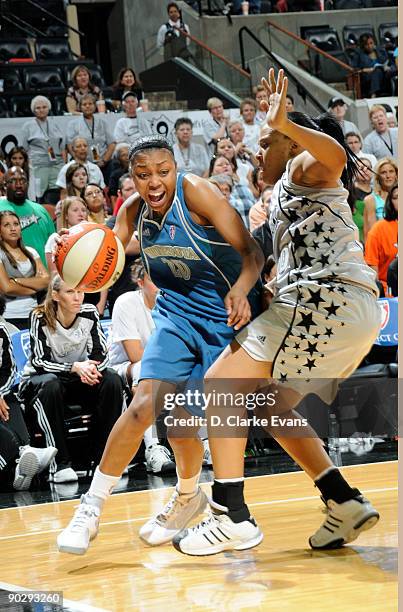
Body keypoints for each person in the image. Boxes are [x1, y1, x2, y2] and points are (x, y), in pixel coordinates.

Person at [172, 68, 382, 556]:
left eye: (268, 142)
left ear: (290, 144)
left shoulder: (305, 167)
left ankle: (231, 514)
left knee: (221, 384)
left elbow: (334, 156)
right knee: (267, 402)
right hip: (347, 311)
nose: (258, 150)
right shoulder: (282, 194)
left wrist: (287, 123)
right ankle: (342, 499)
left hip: (325, 299)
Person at [56, 134, 263, 555]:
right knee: (144, 403)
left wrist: (242, 290)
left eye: (163, 172)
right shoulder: (133, 210)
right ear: (130, 176)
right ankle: (91, 508)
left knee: (182, 422)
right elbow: (105, 257)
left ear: (176, 169)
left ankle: (189, 497)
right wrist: (65, 246)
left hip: (224, 315)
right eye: (142, 174)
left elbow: (252, 252)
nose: (154, 182)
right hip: (175, 314)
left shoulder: (198, 192)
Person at [19, 275, 124, 484]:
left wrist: (89, 370)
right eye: (70, 292)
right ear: (56, 295)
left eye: (80, 292)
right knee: (50, 385)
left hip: (79, 377)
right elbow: (40, 362)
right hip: (42, 382)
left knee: (111, 380)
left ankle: (105, 460)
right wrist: (74, 367)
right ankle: (60, 464)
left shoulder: (89, 312)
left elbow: (101, 355)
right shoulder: (40, 316)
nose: (78, 298)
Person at [108, 260, 175, 474]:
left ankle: (203, 441)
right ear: (140, 282)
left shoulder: (172, 303)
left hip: (162, 365)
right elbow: (135, 354)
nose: (161, 283)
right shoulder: (126, 302)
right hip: (124, 367)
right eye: (154, 279)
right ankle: (153, 448)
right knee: (143, 371)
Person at [0, 313, 57, 490]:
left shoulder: (1, 331)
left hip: (1, 396)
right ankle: (23, 453)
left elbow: (8, 371)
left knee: (10, 398)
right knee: (10, 442)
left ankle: (22, 460)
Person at [0, 211, 49, 329]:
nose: (13, 228)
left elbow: (46, 281)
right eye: (7, 225)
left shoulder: (31, 252)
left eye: (16, 224)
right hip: (9, 316)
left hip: (34, 314)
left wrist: (15, 280)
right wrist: (34, 287)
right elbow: (6, 288)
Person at [0, 167, 55, 266]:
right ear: (4, 185)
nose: (19, 185)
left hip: (46, 275)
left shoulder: (40, 210)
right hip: (13, 276)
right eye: (13, 181)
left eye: (23, 180)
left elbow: (53, 244)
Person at [21, 96, 66, 202]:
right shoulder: (28, 126)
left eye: (44, 107)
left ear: (48, 108)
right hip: (38, 166)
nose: (41, 110)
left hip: (56, 165)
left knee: (55, 193)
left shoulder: (55, 124)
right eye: (38, 108)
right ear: (33, 110)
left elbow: (62, 146)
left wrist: (63, 164)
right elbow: (25, 148)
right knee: (38, 194)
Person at [66, 94, 115, 176]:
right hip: (82, 162)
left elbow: (112, 143)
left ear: (95, 106)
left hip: (102, 161)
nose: (87, 106)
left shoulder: (103, 123)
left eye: (90, 104)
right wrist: (79, 161)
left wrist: (104, 160)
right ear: (80, 107)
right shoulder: (73, 124)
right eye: (84, 104)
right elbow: (69, 145)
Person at [365, 182, 398, 295]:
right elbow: (372, 274)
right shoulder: (378, 230)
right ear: (390, 201)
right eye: (396, 197)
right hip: (389, 295)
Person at [208, 154, 255, 229]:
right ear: (212, 172)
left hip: (250, 235)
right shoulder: (209, 190)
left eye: (227, 164)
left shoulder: (244, 188)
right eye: (220, 165)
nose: (225, 166)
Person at [363, 157, 398, 240]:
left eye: (391, 171)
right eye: (383, 172)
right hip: (382, 245)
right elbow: (370, 233)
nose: (388, 176)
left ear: (396, 175)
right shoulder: (370, 200)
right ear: (378, 177)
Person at [347, 157, 373, 243]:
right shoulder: (348, 192)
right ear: (354, 171)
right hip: (354, 240)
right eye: (361, 168)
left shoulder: (376, 193)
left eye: (368, 168)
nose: (365, 170)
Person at [108, 143, 130, 210]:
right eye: (123, 155)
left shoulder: (140, 171)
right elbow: (113, 197)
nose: (127, 157)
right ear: (118, 158)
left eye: (128, 154)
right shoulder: (115, 176)